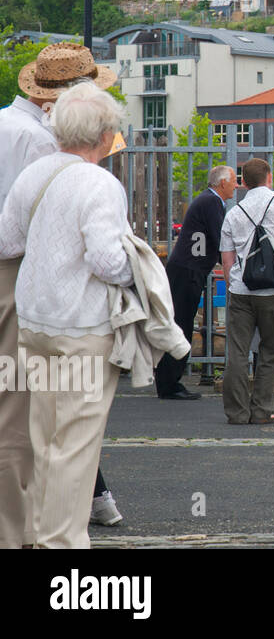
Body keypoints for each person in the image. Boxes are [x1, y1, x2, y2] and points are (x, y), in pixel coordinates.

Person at [0, 81, 132, 548]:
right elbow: (108, 262)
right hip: (81, 328)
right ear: (103, 134)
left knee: (44, 437)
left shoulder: (33, 176)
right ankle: (63, 546)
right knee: (75, 448)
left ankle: (33, 533)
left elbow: (7, 243)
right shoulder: (100, 183)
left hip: (34, 326)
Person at [220, 158, 274, 425]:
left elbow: (227, 258)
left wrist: (233, 286)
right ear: (269, 178)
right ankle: (262, 410)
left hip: (241, 290)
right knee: (270, 349)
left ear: (243, 183)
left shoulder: (234, 212)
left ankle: (236, 412)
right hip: (272, 289)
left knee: (237, 351)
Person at [158, 165, 236, 400]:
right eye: (233, 181)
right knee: (181, 325)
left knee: (180, 323)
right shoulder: (211, 203)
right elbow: (221, 237)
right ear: (222, 183)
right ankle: (169, 383)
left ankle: (169, 380)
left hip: (187, 269)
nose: (236, 185)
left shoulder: (208, 201)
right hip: (188, 271)